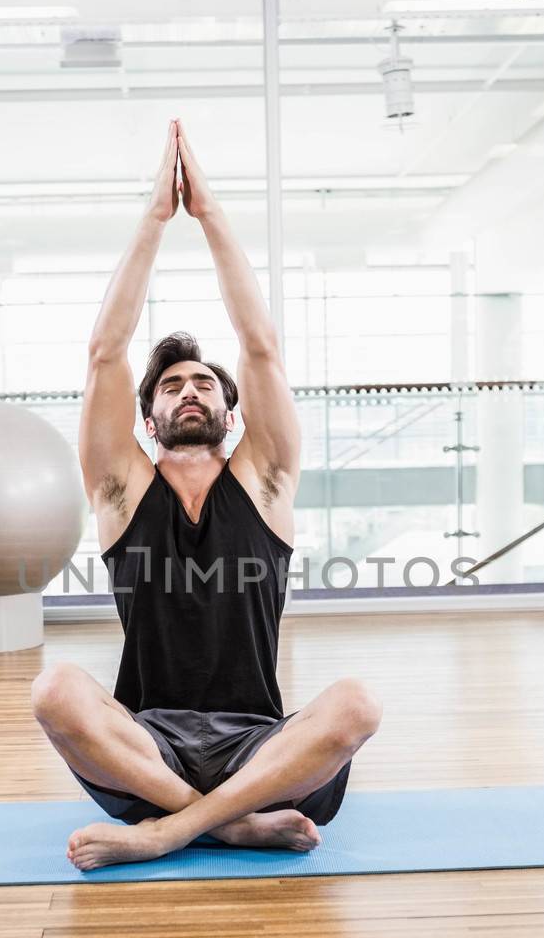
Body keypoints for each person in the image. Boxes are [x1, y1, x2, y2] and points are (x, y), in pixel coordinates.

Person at [32, 119, 382, 870]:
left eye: (202, 383)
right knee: (55, 690)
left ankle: (167, 831)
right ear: (148, 418)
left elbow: (261, 346)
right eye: (169, 385)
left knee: (355, 703)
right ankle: (224, 825)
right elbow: (104, 354)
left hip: (262, 747)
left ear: (230, 411)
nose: (187, 391)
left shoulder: (265, 479)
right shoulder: (121, 489)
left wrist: (211, 214)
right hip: (145, 747)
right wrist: (156, 219)